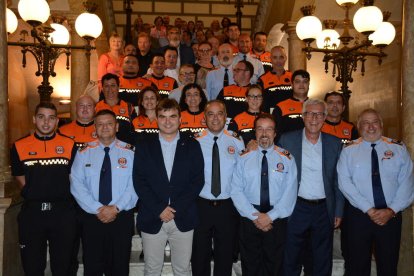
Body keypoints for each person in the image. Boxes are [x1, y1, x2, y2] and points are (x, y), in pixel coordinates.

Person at [337, 108, 414, 276]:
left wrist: (391, 210)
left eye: (375, 122)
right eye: (365, 123)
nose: (370, 127)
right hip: (359, 216)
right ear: (358, 126)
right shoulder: (348, 151)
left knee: (388, 265)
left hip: (390, 217)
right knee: (356, 266)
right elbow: (345, 184)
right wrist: (369, 210)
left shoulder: (398, 149)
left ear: (382, 124)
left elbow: (408, 183)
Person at [133, 99, 204, 276]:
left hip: (183, 215)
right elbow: (139, 181)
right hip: (152, 215)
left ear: (180, 119)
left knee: (182, 269)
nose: (167, 121)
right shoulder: (144, 146)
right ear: (156, 119)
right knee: (152, 269)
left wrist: (174, 209)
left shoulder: (192, 145)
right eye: (162, 116)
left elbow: (197, 181)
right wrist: (159, 209)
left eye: (172, 116)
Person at [10, 102, 77, 275]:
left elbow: (73, 177)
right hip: (32, 215)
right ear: (34, 119)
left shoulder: (70, 145)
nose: (46, 123)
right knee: (32, 267)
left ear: (56, 122)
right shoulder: (19, 146)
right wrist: (37, 192)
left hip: (63, 214)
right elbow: (20, 177)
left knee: (63, 267)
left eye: (51, 118)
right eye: (41, 117)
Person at [279, 99, 343, 276]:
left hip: (324, 209)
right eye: (309, 113)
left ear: (324, 117)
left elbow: (338, 180)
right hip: (296, 207)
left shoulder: (335, 143)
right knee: (291, 258)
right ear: (303, 116)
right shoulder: (287, 140)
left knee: (321, 260)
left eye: (319, 114)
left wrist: (338, 210)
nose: (314, 118)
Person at [70, 109, 138, 276]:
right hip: (92, 217)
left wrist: (115, 208)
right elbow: (76, 183)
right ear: (95, 127)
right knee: (92, 266)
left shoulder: (130, 152)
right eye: (100, 124)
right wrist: (97, 208)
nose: (105, 127)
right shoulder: (84, 152)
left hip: (121, 217)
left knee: (120, 267)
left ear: (116, 126)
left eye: (109, 123)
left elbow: (135, 185)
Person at [231, 113, 298, 276]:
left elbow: (290, 193)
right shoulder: (243, 158)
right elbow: (236, 190)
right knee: (250, 266)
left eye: (269, 129)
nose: (264, 133)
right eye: (260, 129)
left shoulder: (287, 158)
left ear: (275, 133)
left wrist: (270, 217)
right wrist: (256, 217)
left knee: (275, 267)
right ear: (255, 132)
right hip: (249, 218)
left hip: (276, 219)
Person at [192, 100, 244, 276]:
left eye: (219, 113)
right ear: (204, 117)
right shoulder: (195, 141)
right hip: (201, 205)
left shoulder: (237, 141)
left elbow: (242, 173)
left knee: (225, 256)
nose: (215, 118)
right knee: (199, 255)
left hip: (228, 206)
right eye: (210, 114)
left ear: (225, 116)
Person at [95, 73, 136, 144]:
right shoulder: (96, 108)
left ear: (118, 87)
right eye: (106, 86)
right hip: (101, 147)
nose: (110, 89)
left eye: (113, 85)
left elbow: (134, 130)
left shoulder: (129, 107)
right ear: (102, 88)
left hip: (124, 148)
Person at [272, 69, 309, 139]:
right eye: (298, 82)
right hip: (288, 148)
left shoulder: (316, 106)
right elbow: (275, 133)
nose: (301, 85)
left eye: (305, 82)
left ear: (309, 84)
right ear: (292, 85)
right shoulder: (280, 107)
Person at [258, 46, 292, 113]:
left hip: (289, 115)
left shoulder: (292, 77)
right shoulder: (263, 79)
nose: (278, 61)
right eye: (275, 57)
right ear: (270, 59)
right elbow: (260, 102)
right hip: (270, 118)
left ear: (285, 58)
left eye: (281, 57)